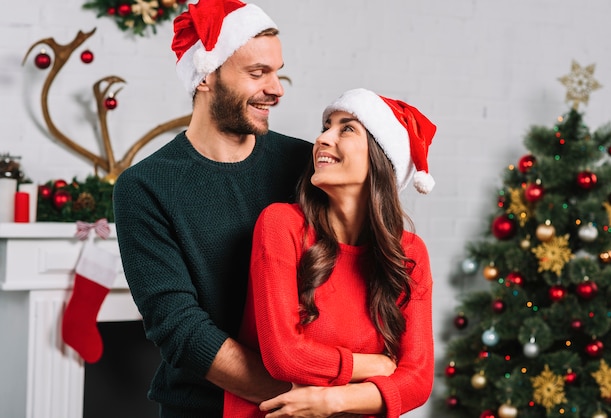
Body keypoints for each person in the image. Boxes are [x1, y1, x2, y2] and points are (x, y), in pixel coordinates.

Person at [112, 0, 313, 416]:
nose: (276, 88)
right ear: (206, 76)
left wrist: (335, 394)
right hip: (206, 406)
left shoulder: (306, 165)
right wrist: (298, 396)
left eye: (277, 71)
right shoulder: (145, 187)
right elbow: (180, 329)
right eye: (258, 74)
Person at [224, 87, 437, 417]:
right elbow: (284, 355)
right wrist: (375, 366)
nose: (323, 139)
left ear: (382, 157)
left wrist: (330, 401)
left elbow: (419, 380)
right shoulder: (282, 225)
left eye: (346, 127)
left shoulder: (409, 253)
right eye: (326, 126)